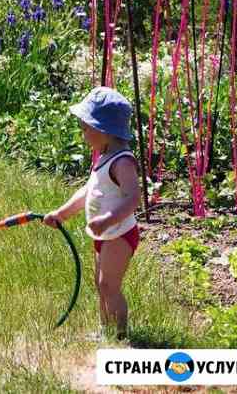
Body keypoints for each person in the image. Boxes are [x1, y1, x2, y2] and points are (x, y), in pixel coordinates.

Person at [43, 86, 141, 341]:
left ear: (103, 130)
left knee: (110, 286)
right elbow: (88, 191)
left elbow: (133, 198)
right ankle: (105, 331)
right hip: (105, 234)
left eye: (86, 127)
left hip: (119, 234)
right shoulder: (105, 156)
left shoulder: (122, 161)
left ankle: (122, 336)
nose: (83, 132)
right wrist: (61, 214)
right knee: (101, 284)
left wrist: (109, 219)